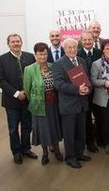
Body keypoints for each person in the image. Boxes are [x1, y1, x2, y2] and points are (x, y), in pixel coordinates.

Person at [52, 38, 91, 168]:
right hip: (68, 105)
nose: (72, 49)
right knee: (69, 133)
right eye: (69, 47)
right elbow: (58, 84)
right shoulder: (58, 63)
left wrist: (87, 89)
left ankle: (79, 153)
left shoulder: (82, 61)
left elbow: (87, 79)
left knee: (81, 131)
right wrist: (77, 89)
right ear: (64, 48)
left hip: (82, 102)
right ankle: (70, 157)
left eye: (74, 47)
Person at [0, 33, 37, 164]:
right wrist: (16, 93)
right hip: (11, 101)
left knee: (27, 126)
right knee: (13, 128)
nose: (16, 43)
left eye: (18, 41)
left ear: (21, 42)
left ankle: (26, 148)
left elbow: (35, 76)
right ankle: (16, 152)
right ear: (8, 44)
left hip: (28, 99)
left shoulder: (30, 57)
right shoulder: (2, 59)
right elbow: (1, 81)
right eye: (13, 42)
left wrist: (27, 92)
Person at [23, 42, 63, 165]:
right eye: (40, 54)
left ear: (47, 54)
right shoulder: (29, 69)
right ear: (35, 55)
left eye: (44, 54)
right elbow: (27, 89)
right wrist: (37, 100)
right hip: (39, 105)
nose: (42, 57)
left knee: (54, 126)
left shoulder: (53, 66)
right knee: (43, 129)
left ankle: (57, 150)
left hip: (54, 104)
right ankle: (45, 153)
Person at [77, 30, 102, 153]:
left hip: (98, 91)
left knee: (99, 116)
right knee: (86, 119)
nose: (87, 42)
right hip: (83, 93)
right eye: (85, 40)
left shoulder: (99, 53)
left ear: (93, 40)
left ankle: (99, 139)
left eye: (89, 39)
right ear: (81, 41)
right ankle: (89, 143)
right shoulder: (77, 54)